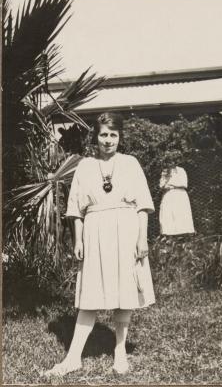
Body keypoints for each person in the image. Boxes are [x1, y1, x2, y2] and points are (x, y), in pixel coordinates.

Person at [45, 112, 155, 377]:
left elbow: (142, 206)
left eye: (113, 135)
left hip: (126, 230)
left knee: (124, 291)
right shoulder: (84, 166)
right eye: (104, 135)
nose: (108, 140)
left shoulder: (130, 163)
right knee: (89, 295)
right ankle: (73, 357)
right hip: (95, 231)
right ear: (96, 137)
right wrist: (78, 239)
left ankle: (119, 352)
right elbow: (76, 210)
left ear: (120, 137)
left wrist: (142, 238)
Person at [159, 164, 195, 235]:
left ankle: (183, 237)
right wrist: (166, 178)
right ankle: (170, 237)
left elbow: (184, 183)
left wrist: (171, 184)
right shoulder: (165, 171)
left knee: (180, 215)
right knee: (168, 216)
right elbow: (161, 185)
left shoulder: (181, 170)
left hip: (179, 195)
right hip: (168, 195)